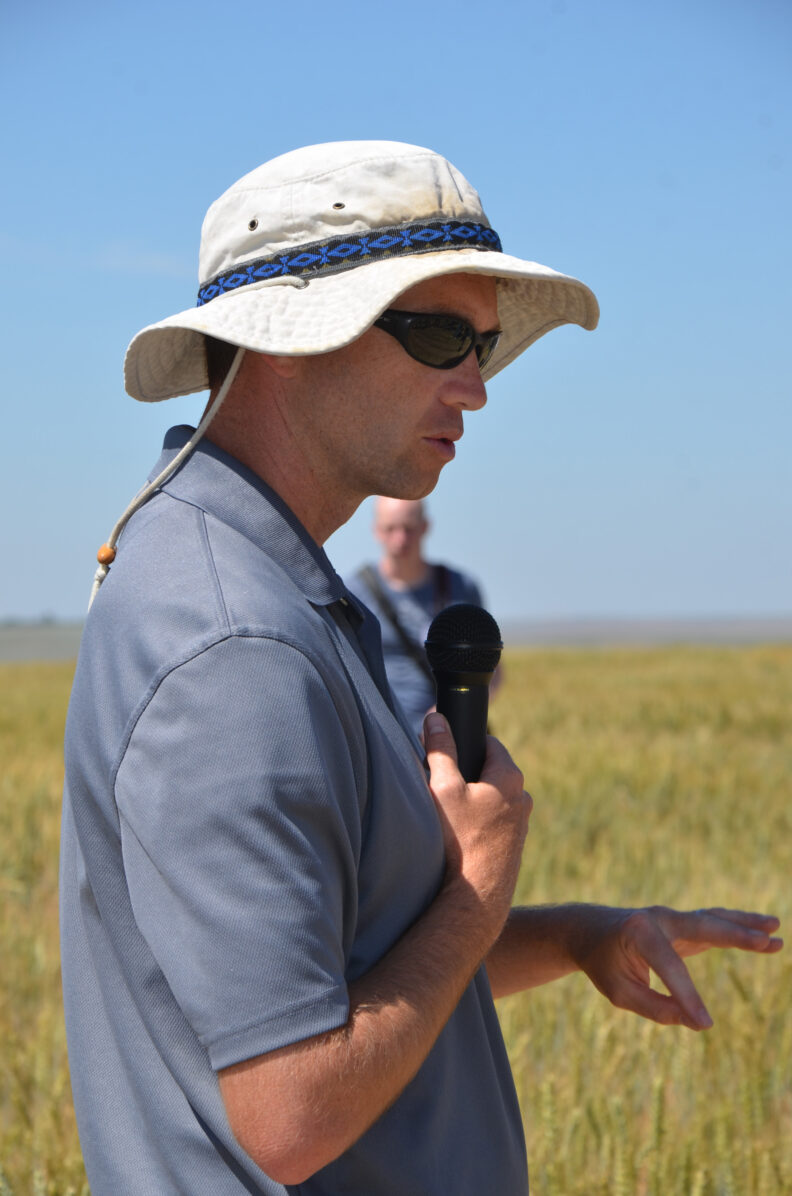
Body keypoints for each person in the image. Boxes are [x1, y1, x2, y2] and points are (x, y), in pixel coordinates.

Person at [60, 140, 782, 1195]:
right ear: (289, 339)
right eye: (441, 336)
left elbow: (356, 967)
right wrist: (480, 892)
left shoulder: (276, 587)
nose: (476, 389)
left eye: (483, 345)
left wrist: (580, 935)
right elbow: (292, 1108)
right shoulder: (234, 645)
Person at [346, 496, 491, 737]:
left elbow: (491, 671)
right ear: (376, 531)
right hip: (381, 741)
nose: (400, 539)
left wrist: (453, 710)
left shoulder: (460, 587)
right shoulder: (354, 592)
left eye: (409, 529)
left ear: (425, 527)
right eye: (390, 529)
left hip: (447, 737)